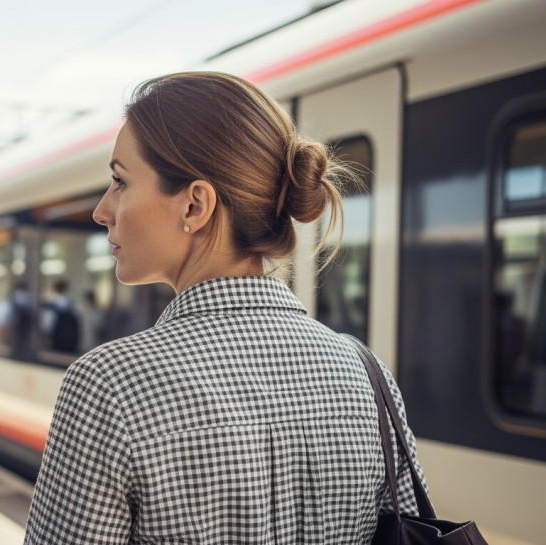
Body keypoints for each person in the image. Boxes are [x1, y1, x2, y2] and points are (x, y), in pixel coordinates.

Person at [24, 72, 427, 544]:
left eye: (119, 182)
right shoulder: (368, 377)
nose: (101, 210)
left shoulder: (108, 387)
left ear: (195, 206)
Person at [0, 280, 34, 361]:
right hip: (23, 349)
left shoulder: (8, 305)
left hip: (10, 347)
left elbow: (1, 326)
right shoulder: (31, 306)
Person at [40, 278, 80, 354]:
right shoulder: (70, 304)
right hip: (67, 341)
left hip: (54, 338)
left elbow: (47, 325)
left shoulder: (51, 303)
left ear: (53, 288)